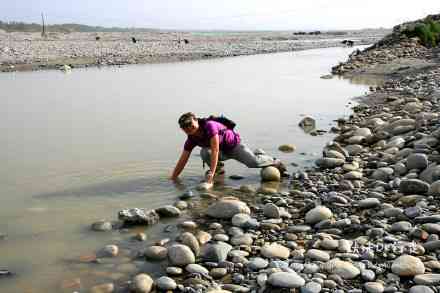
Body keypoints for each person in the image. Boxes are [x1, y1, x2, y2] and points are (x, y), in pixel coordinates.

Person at [170, 112, 287, 187]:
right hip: (221, 153)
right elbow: (183, 159)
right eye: (186, 128)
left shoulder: (209, 126)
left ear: (196, 120)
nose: (190, 129)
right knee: (204, 152)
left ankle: (274, 161)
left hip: (234, 147)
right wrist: (174, 177)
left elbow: (215, 150)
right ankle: (218, 170)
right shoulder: (191, 138)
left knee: (253, 162)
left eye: (191, 125)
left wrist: (210, 173)